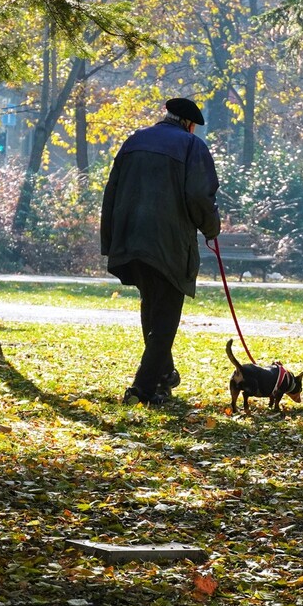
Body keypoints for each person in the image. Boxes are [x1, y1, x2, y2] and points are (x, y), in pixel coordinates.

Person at [101, 97, 221, 405]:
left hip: (131, 238)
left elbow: (112, 190)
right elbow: (199, 194)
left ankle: (164, 374)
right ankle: (142, 388)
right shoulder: (191, 147)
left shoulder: (134, 141)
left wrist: (112, 238)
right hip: (167, 242)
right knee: (166, 316)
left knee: (152, 306)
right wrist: (211, 228)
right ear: (189, 124)